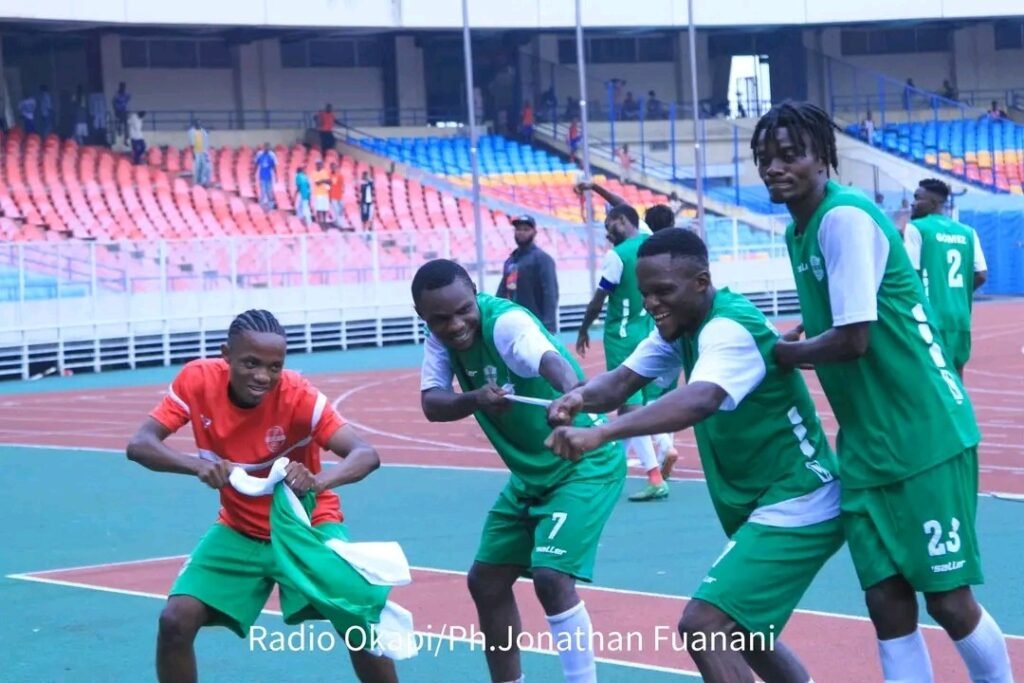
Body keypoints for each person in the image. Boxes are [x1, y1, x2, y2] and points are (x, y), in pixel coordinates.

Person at [752, 101, 1012, 683]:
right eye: (764, 157)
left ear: (824, 158)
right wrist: (791, 337)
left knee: (947, 599)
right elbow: (829, 317)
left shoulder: (844, 217)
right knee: (885, 600)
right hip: (869, 442)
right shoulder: (803, 228)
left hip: (922, 433)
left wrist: (784, 353)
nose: (773, 167)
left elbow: (853, 340)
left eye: (789, 154)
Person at [545, 228, 844, 683]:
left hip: (799, 496)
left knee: (704, 626)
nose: (650, 303)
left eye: (663, 291)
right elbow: (622, 382)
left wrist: (602, 433)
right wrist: (579, 398)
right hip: (761, 499)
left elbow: (699, 399)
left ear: (702, 282)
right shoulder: (680, 327)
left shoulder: (727, 328)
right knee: (747, 633)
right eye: (645, 293)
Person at [126, 309, 399, 683]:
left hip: (307, 528)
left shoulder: (299, 396)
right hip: (239, 530)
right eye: (250, 363)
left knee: (356, 618)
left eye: (274, 367)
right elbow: (140, 444)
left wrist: (319, 482)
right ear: (226, 354)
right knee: (175, 620)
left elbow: (365, 454)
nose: (262, 377)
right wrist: (197, 466)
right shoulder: (197, 381)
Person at [413, 259, 624, 683]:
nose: (455, 325)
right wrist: (475, 398)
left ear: (476, 293)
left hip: (581, 462)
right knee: (486, 581)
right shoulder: (439, 340)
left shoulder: (505, 323)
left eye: (462, 311)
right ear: (424, 318)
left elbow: (549, 358)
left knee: (550, 577)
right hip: (530, 477)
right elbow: (432, 404)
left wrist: (570, 396)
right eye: (440, 319)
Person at [575, 201, 676, 500]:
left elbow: (599, 299)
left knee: (629, 406)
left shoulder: (616, 257)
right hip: (651, 329)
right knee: (647, 401)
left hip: (621, 334)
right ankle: (658, 448)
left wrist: (583, 328)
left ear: (622, 220)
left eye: (609, 225)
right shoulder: (650, 242)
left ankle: (655, 475)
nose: (607, 233)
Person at [904, 178, 988, 377]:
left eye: (918, 198)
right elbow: (982, 275)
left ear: (933, 203)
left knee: (928, 381)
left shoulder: (916, 228)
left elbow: (910, 276)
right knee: (956, 380)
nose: (913, 203)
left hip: (929, 316)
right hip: (960, 317)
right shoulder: (968, 232)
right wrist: (955, 293)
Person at [496, 215, 559, 333]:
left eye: (526, 229)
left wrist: (548, 327)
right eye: (518, 229)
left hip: (535, 324)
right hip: (512, 323)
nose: (521, 233)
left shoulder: (543, 259)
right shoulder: (511, 260)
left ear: (534, 232)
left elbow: (550, 294)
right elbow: (502, 291)